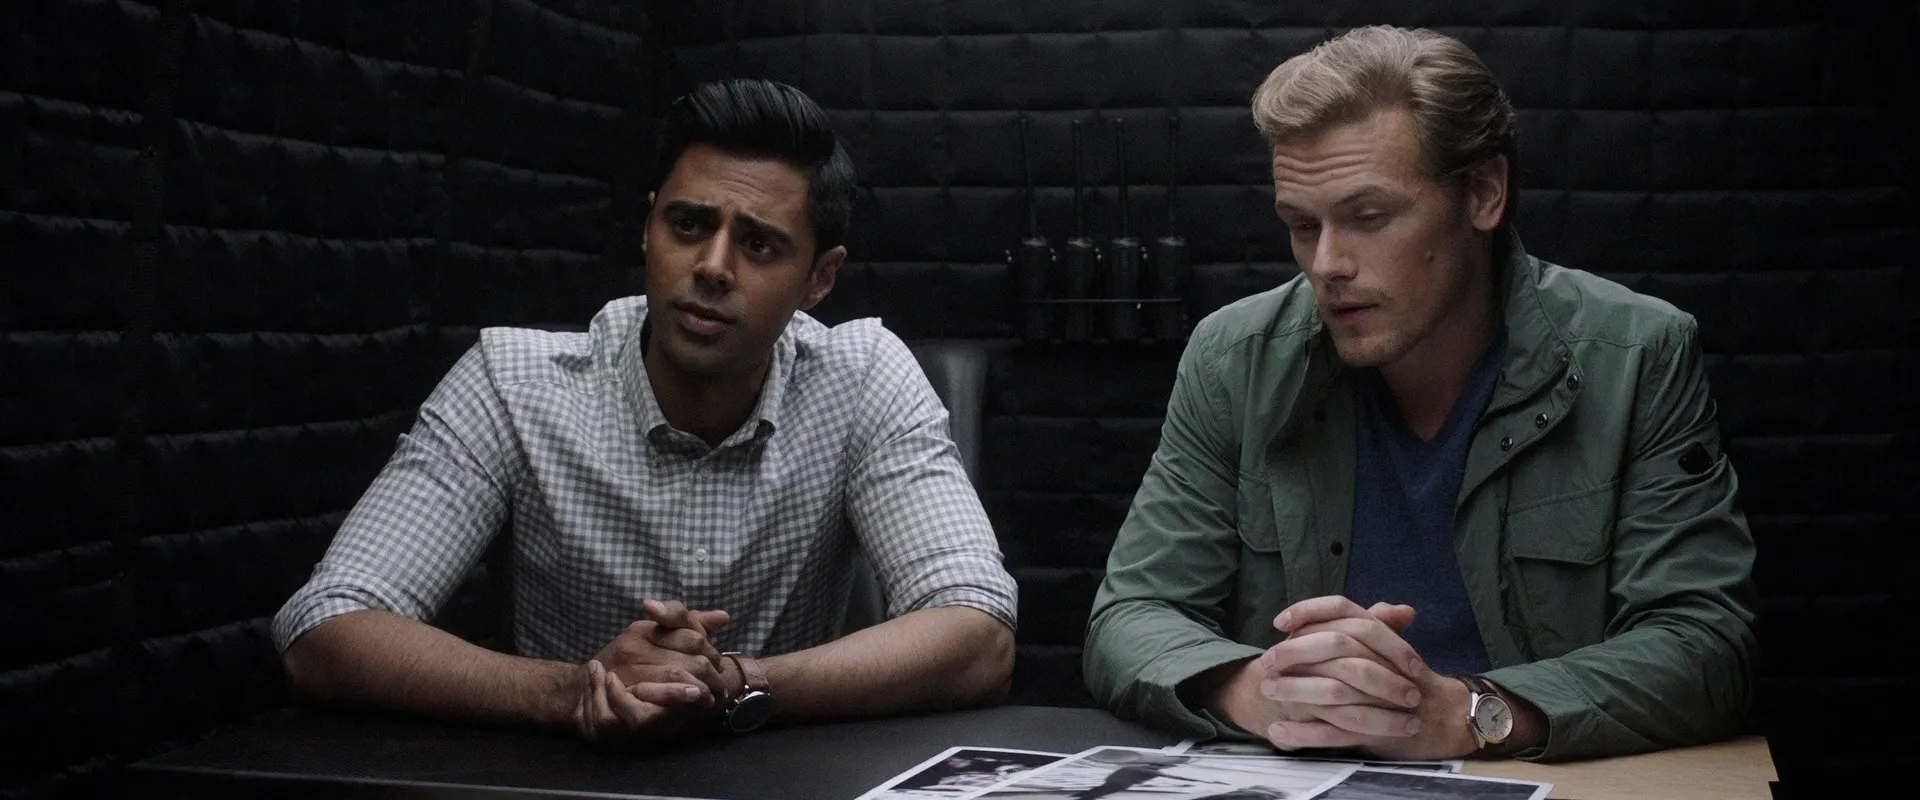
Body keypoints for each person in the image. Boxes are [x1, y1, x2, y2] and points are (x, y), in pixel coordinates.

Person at [272, 78, 1017, 744]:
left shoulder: (864, 377)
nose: (712, 267)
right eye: (688, 225)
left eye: (758, 244)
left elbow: (979, 633)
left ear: (820, 278)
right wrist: (575, 692)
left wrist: (739, 683)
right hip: (559, 784)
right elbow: (326, 628)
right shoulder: (511, 381)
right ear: (648, 226)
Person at [1084, 25, 1756, 763]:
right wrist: (1264, 690)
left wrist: (1466, 712)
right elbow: (1131, 616)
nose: (1327, 263)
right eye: (1302, 226)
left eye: (1369, 217)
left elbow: (1705, 646)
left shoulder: (1636, 356)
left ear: (1484, 193)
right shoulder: (1234, 359)